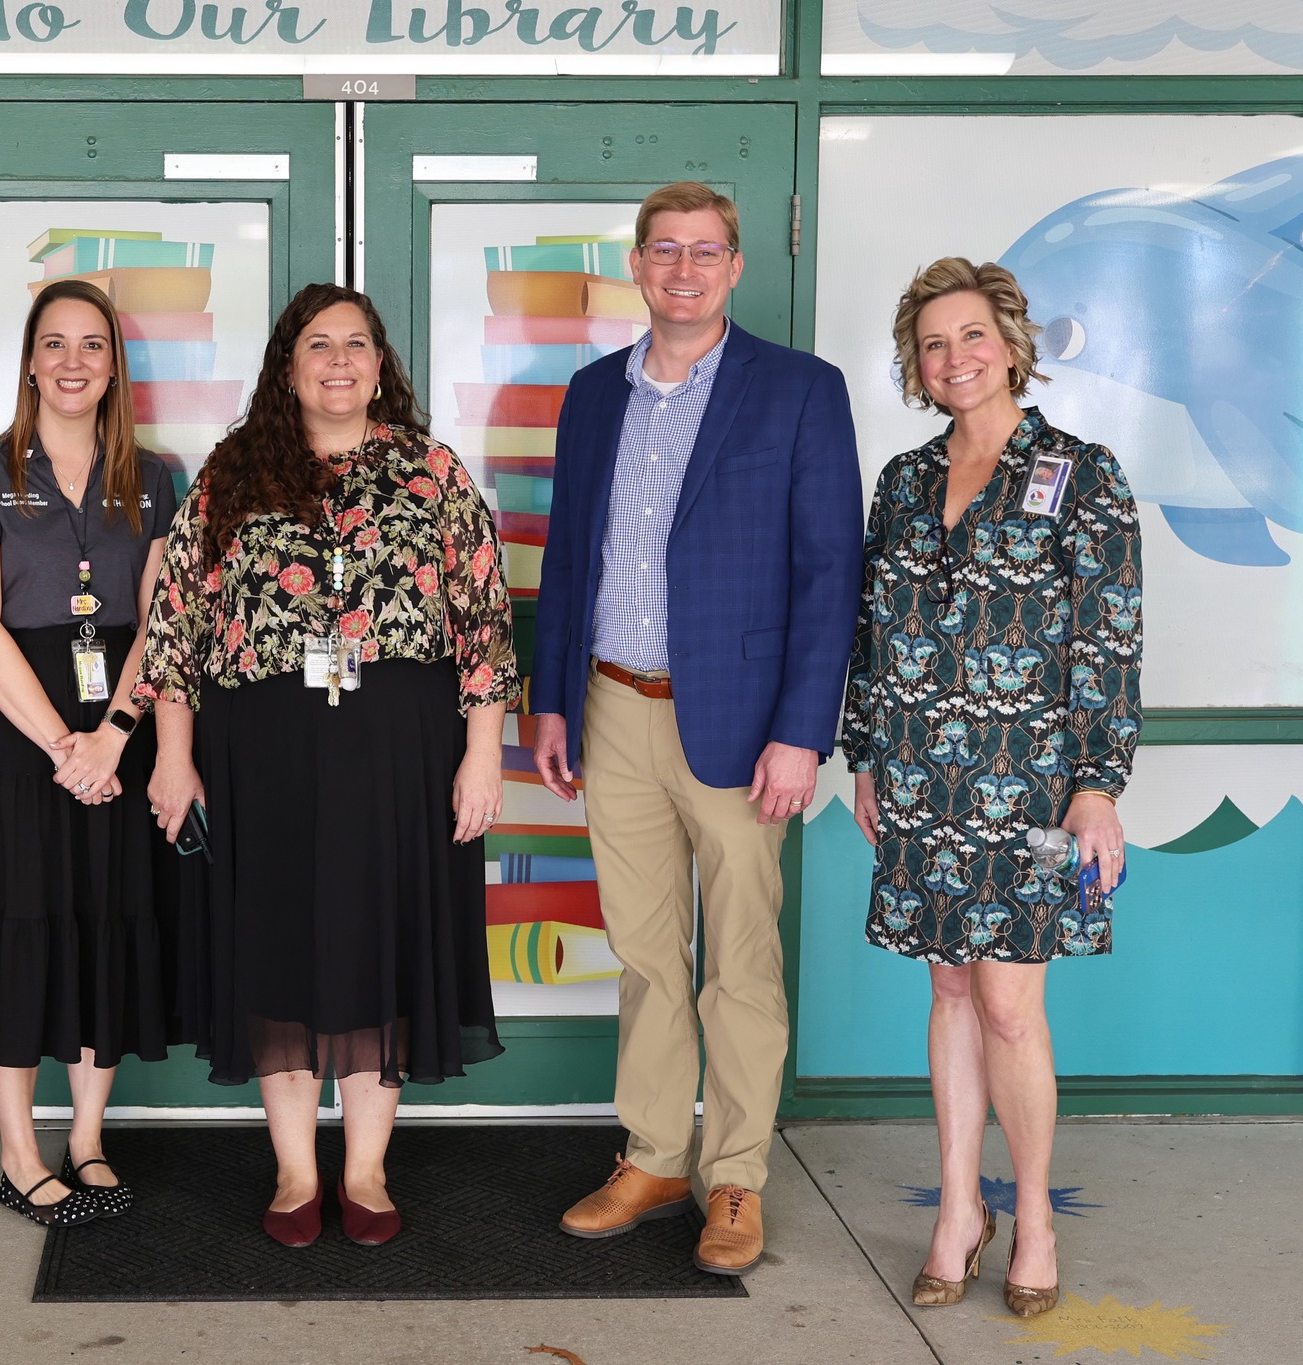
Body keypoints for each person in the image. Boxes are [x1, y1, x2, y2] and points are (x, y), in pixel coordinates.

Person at [138, 283, 518, 1249]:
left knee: (381, 943)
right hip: (261, 748)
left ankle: (367, 1169)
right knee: (278, 945)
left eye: (356, 344)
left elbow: (484, 619)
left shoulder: (431, 471)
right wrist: (173, 755)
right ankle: (297, 1170)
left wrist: (482, 755)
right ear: (288, 366)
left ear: (380, 366)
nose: (339, 361)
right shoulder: (232, 472)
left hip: (402, 748)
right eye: (318, 344)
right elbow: (176, 622)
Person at [529, 182, 862, 1276]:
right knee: (643, 954)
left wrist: (801, 731)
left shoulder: (800, 390)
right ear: (635, 265)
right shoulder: (592, 394)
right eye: (663, 250)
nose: (683, 269)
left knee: (741, 962)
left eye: (704, 251)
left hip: (742, 725)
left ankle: (736, 1175)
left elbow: (830, 573)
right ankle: (654, 1155)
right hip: (611, 704)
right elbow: (567, 557)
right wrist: (550, 699)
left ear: (734, 267)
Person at [842, 257, 1140, 1317]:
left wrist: (1097, 785)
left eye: (971, 335)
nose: (954, 356)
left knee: (1011, 1004)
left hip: (1035, 785)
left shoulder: (1082, 473)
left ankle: (1036, 1218)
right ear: (915, 367)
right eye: (933, 344)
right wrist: (863, 753)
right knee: (950, 991)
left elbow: (1108, 640)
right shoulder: (902, 480)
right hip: (919, 774)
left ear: (1011, 346)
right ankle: (959, 1209)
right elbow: (871, 632)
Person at [0, 278, 179, 1228]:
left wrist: (114, 737)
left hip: (120, 730)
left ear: (114, 366)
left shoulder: (154, 476)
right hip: (15, 734)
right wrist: (67, 746)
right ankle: (20, 1152)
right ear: (29, 361)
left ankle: (88, 1139)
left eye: (92, 344)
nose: (73, 361)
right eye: (55, 343)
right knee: (16, 931)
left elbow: (162, 618)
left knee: (103, 924)